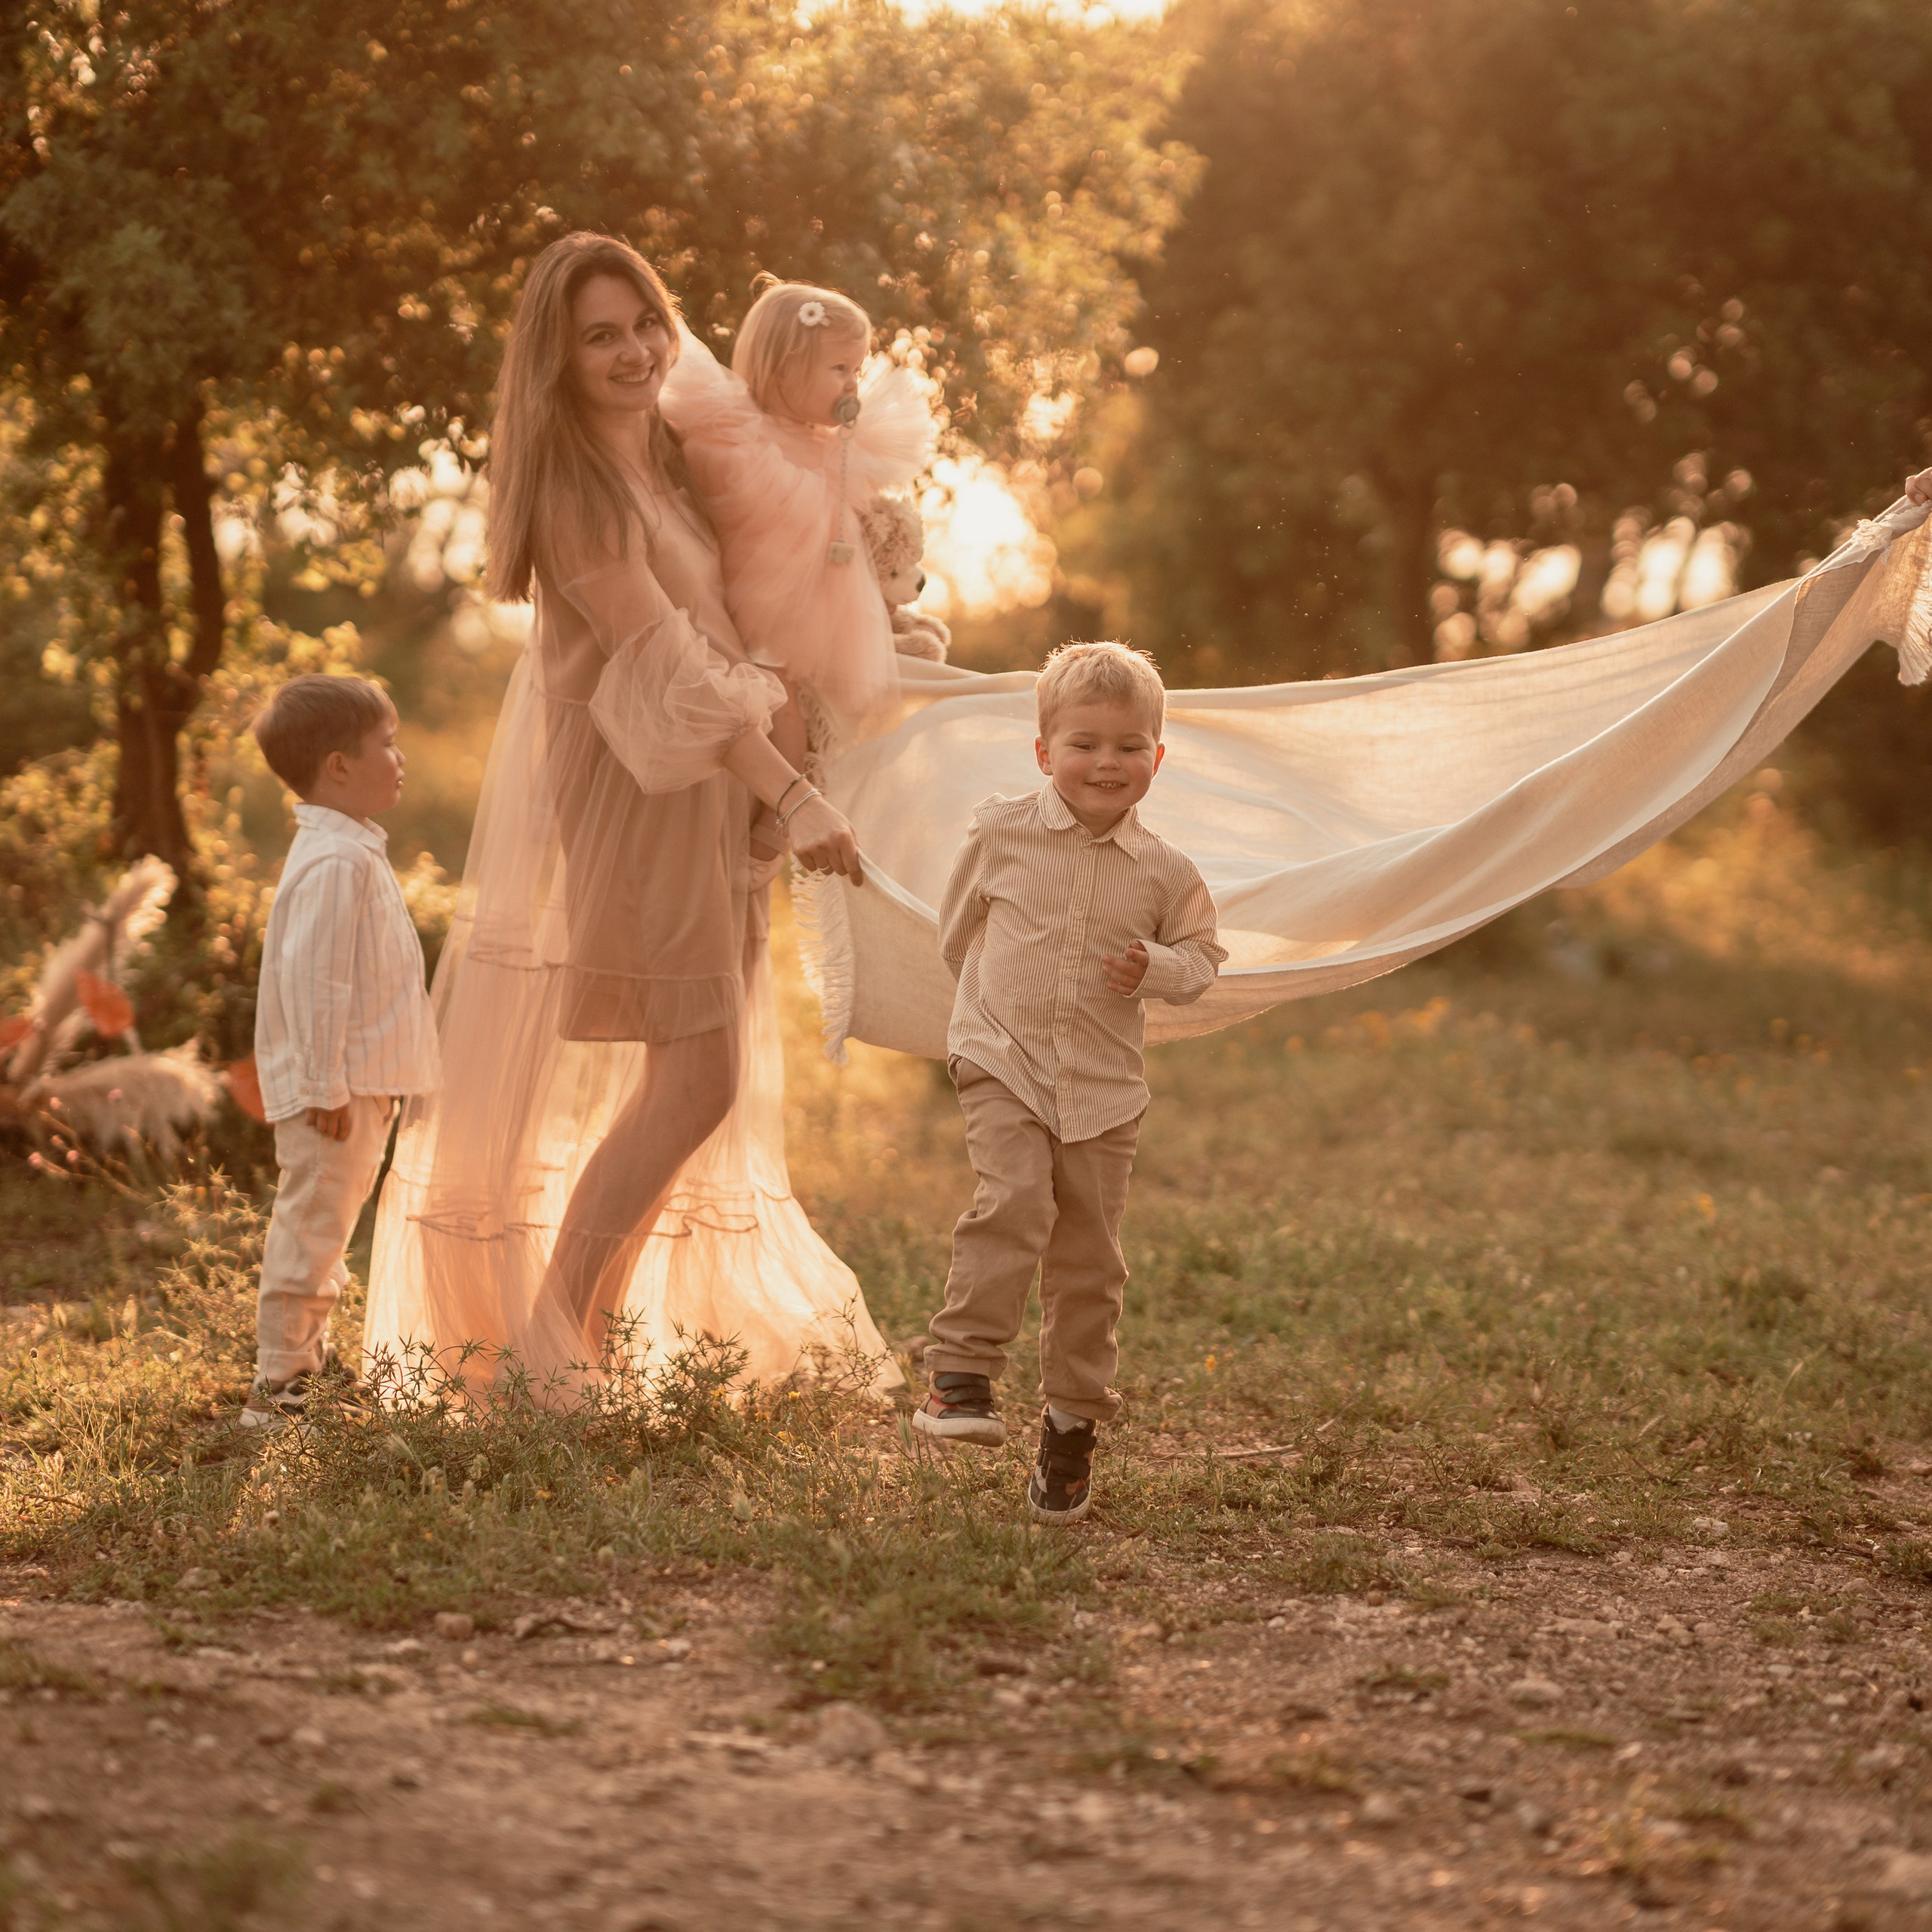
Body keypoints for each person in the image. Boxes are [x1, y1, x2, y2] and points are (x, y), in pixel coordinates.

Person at [363, 232, 889, 1392]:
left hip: (717, 792)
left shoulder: (668, 454)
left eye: (646, 323)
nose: (636, 350)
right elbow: (663, 667)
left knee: (698, 1081)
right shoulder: (576, 492)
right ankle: (553, 1350)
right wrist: (794, 794)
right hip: (646, 798)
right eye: (601, 334)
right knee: (697, 1075)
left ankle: (582, 1341)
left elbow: (749, 606)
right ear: (556, 355)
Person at [912, 642, 1227, 1521]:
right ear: (1044, 752)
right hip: (1002, 1057)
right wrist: (983, 1018)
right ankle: (960, 1377)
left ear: (1157, 759)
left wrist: (1155, 965)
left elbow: (1203, 959)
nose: (1107, 763)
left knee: (1089, 1259)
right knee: (1012, 1200)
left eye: (1130, 746)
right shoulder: (1000, 831)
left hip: (1101, 1088)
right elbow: (955, 929)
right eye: (1084, 743)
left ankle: (1070, 1424)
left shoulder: (1163, 870)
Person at [243, 675, 441, 1429]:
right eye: (385, 744)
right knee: (312, 1228)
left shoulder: (349, 850)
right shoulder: (334, 862)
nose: (399, 758)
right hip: (336, 1092)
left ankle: (308, 1367)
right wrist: (325, 1084)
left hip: (357, 1086)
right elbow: (316, 979)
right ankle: (280, 1383)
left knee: (328, 1227)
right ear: (338, 766)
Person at [660, 277, 935, 816]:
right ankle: (770, 837)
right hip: (754, 617)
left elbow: (861, 534)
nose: (853, 383)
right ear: (785, 366)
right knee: (782, 715)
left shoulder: (837, 446)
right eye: (839, 369)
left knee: (829, 723)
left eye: (857, 369)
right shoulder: (740, 440)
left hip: (816, 614)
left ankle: (785, 828)